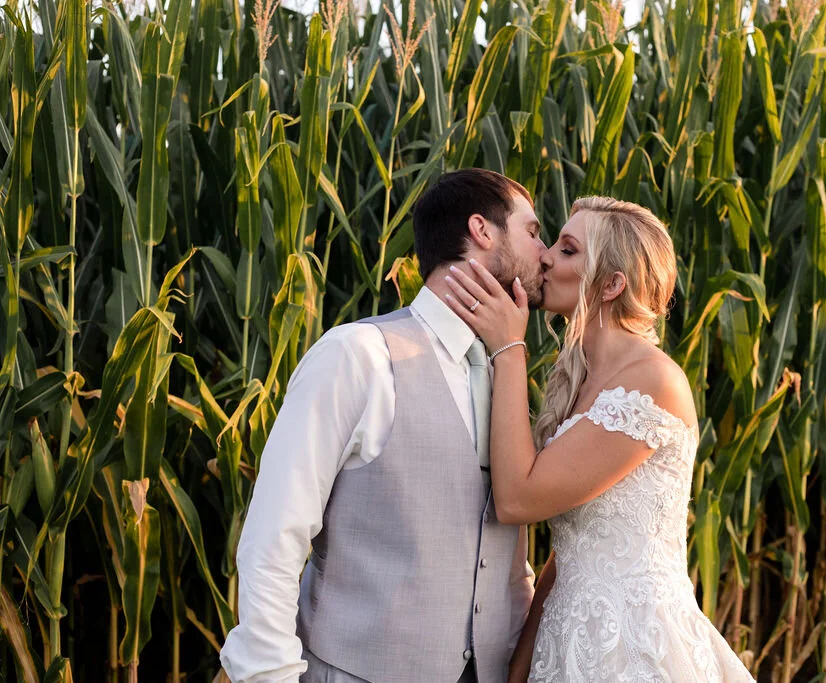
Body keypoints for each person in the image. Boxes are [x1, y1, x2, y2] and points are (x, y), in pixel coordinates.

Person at [220, 169, 547, 683]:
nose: (545, 253)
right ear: (483, 231)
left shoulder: (504, 372)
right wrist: (269, 675)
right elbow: (275, 534)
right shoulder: (356, 355)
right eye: (532, 232)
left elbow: (504, 556)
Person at [444, 196, 757, 682]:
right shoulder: (580, 378)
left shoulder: (653, 383)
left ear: (612, 284)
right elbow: (575, 548)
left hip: (633, 646)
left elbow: (517, 499)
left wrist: (508, 348)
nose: (545, 255)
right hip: (566, 639)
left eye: (567, 250)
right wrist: (522, 659)